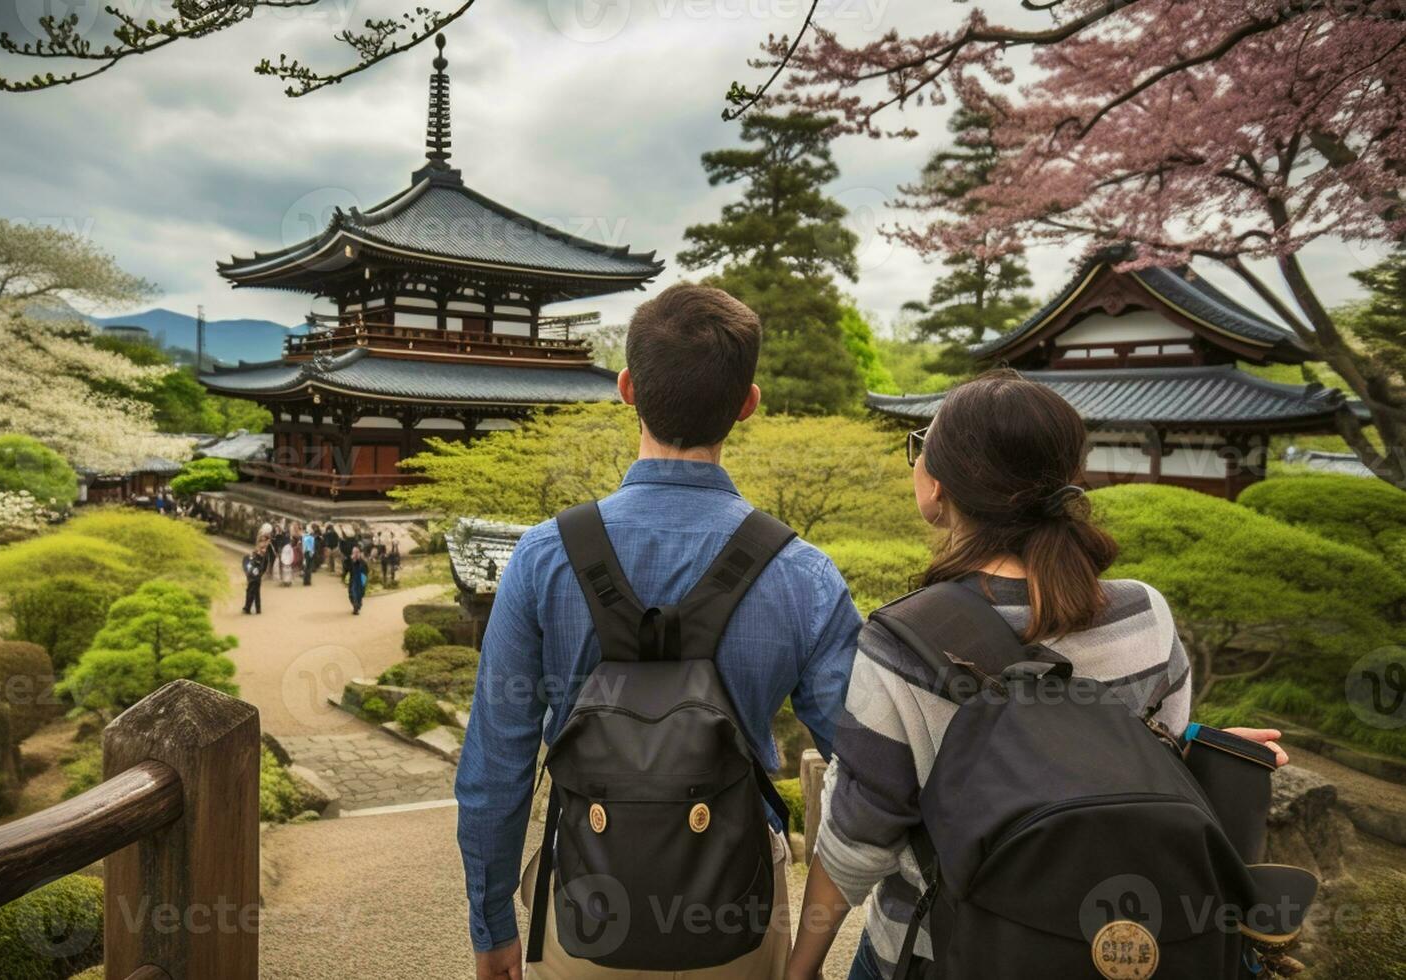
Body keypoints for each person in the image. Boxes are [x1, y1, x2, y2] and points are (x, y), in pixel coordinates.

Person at [785, 370, 1289, 980]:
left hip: (945, 950)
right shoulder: (1145, 615)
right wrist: (1199, 744)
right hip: (1128, 928)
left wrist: (801, 966)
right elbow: (1146, 763)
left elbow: (859, 843)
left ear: (938, 487)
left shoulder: (903, 643)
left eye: (921, 446)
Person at [458, 285, 860, 980]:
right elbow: (867, 771)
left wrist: (491, 924)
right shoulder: (802, 573)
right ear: (747, 402)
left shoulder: (543, 556)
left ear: (626, 389)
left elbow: (496, 768)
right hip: (738, 911)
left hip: (584, 906)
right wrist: (808, 954)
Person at [347, 545, 369, 615]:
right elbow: (346, 568)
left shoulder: (363, 562)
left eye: (357, 552)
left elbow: (366, 571)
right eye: (354, 552)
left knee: (359, 594)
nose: (355, 554)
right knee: (352, 594)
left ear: (359, 553)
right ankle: (355, 606)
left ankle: (357, 606)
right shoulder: (350, 561)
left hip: (360, 580)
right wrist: (350, 561)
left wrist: (364, 581)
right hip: (353, 580)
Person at [242, 550, 264, 615]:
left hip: (253, 580)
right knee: (256, 594)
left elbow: (248, 571)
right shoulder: (259, 561)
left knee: (250, 593)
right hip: (257, 579)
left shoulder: (255, 561)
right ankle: (258, 609)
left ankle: (247, 608)